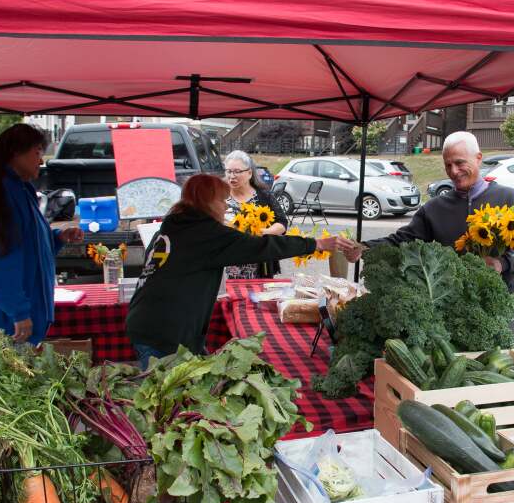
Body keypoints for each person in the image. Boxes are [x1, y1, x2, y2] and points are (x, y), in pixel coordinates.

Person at [126, 174, 356, 369]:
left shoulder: (175, 226)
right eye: (222, 200)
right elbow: (261, 246)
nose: (226, 206)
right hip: (164, 331)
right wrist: (317, 244)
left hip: (150, 320)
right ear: (205, 201)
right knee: (169, 400)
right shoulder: (204, 233)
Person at [345, 131, 514, 344]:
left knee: (502, 370)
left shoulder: (507, 198)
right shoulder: (434, 208)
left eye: (460, 163)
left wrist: (502, 264)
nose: (454, 171)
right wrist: (365, 247)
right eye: (448, 165)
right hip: (451, 311)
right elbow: (403, 240)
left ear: (478, 158)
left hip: (499, 308)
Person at [0, 123, 85, 346]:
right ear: (16, 153)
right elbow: (1, 258)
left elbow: (27, 245)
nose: (41, 161)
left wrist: (57, 238)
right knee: (12, 379)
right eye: (37, 153)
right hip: (5, 319)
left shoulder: (18, 189)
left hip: (10, 314)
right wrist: (19, 312)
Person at [223, 150, 288, 279]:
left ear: (249, 173)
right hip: (225, 265)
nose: (232, 176)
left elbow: (282, 223)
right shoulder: (218, 196)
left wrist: (265, 231)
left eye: (237, 171)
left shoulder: (264, 196)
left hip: (259, 264)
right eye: (228, 171)